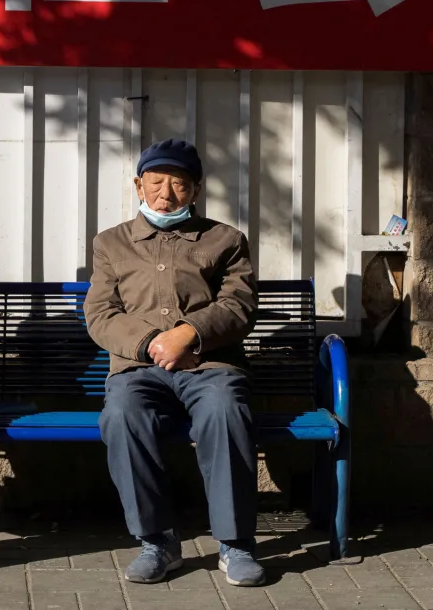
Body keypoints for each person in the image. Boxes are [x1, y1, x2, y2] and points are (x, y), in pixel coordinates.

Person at [84, 138, 265, 587]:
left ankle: (235, 543)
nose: (166, 193)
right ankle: (157, 541)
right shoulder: (112, 243)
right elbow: (100, 313)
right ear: (138, 184)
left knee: (226, 412)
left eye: (179, 184)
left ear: (196, 190)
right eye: (156, 182)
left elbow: (239, 304)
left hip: (210, 367)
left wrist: (190, 333)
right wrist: (148, 343)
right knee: (122, 415)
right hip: (137, 369)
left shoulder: (226, 240)